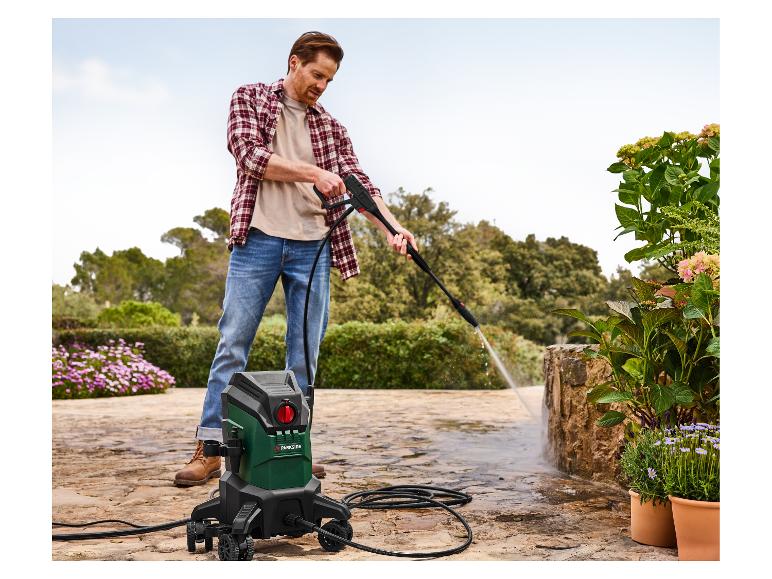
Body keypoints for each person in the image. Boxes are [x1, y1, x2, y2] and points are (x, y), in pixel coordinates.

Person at [174, 31, 416, 486]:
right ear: (293, 63)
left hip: (313, 245)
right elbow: (249, 155)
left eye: (329, 80)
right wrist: (314, 173)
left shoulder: (331, 127)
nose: (321, 86)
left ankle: (293, 447)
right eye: (317, 74)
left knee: (303, 356)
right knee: (233, 344)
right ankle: (210, 448)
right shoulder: (250, 98)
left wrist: (393, 228)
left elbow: (362, 185)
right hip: (259, 238)